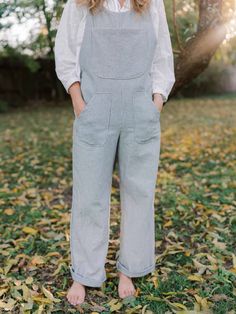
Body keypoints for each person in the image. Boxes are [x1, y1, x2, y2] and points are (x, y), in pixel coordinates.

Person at [54, 0, 175, 306]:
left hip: (141, 111)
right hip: (94, 110)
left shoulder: (151, 4)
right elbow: (66, 54)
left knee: (138, 192)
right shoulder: (81, 4)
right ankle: (84, 272)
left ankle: (129, 269)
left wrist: (156, 102)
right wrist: (79, 103)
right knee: (89, 195)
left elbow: (162, 57)